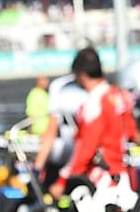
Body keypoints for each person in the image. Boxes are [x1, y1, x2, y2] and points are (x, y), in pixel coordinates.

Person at [52, 47, 134, 197]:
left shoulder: (94, 102)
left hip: (103, 177)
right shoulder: (118, 95)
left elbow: (86, 146)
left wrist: (63, 181)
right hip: (124, 174)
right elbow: (132, 132)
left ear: (81, 75)